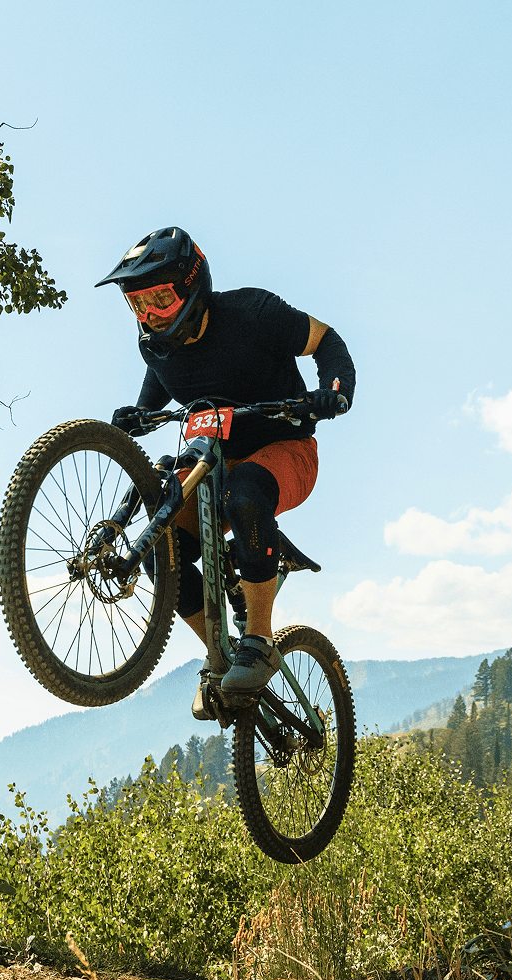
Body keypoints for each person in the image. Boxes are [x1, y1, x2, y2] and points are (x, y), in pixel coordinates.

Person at [98, 226, 356, 698]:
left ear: (192, 286)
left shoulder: (252, 312)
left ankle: (259, 642)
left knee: (246, 493)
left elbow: (325, 339)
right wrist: (139, 414)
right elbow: (160, 381)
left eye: (160, 299)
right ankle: (220, 653)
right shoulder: (155, 346)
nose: (149, 315)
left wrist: (333, 392)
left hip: (288, 450)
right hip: (213, 463)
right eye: (138, 304)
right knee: (160, 546)